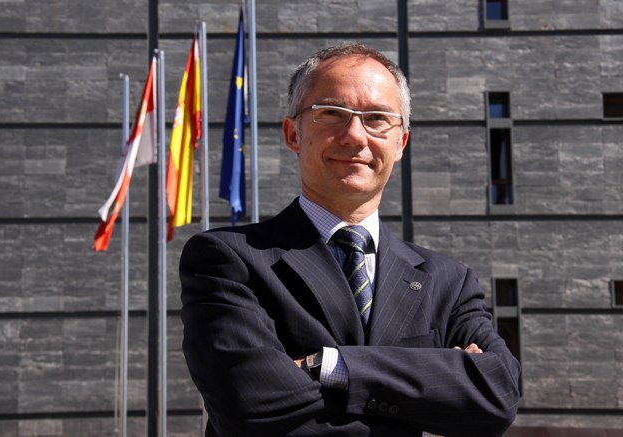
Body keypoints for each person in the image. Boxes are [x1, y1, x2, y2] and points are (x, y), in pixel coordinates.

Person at [180, 43, 520, 436]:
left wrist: (329, 366)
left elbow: (498, 392)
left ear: (400, 143)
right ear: (293, 133)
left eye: (377, 118)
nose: (355, 136)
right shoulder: (227, 259)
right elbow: (251, 405)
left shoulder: (447, 281)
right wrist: (434, 377)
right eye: (331, 113)